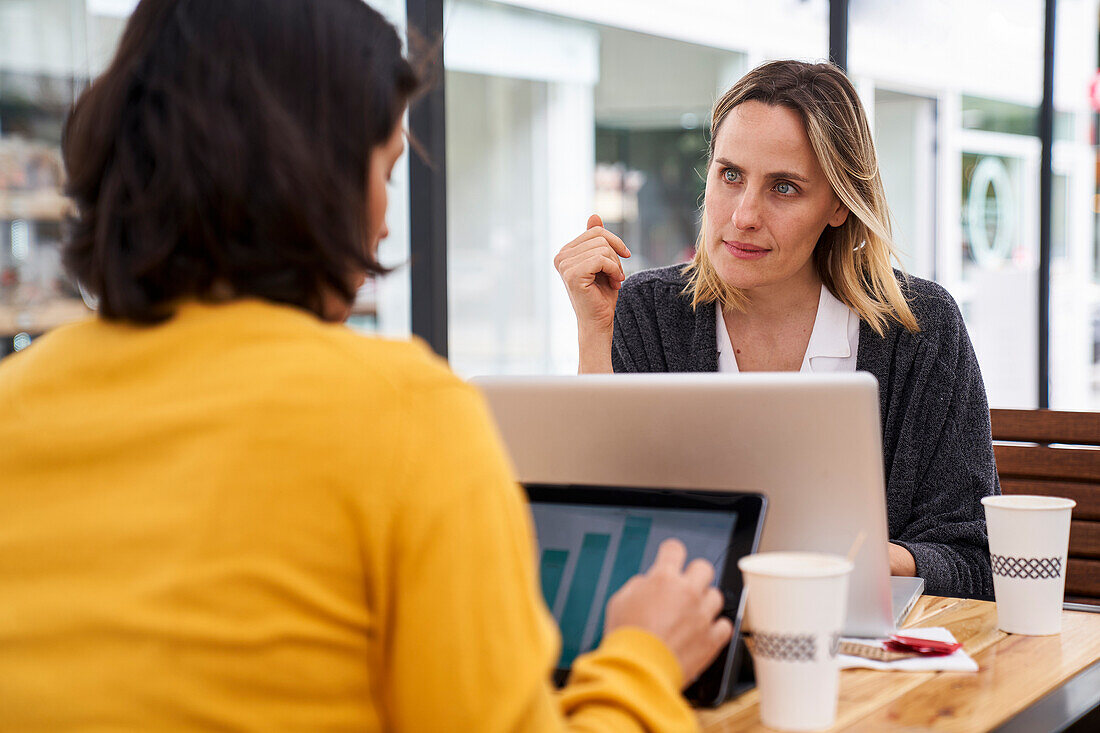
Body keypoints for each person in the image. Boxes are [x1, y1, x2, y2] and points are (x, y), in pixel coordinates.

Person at [0, 1, 729, 729]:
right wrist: (643, 657)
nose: (384, 220)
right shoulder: (402, 413)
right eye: (384, 170)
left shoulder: (16, 400)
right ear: (308, 181)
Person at [555, 60, 998, 599]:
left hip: (860, 655)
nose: (743, 215)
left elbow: (975, 559)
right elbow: (599, 524)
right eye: (730, 175)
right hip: (690, 638)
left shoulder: (919, 328)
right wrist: (596, 333)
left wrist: (855, 561)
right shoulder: (650, 308)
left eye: (783, 188)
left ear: (837, 204)